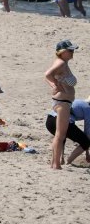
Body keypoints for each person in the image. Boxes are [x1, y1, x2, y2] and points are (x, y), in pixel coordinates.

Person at [45, 40, 78, 170]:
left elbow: (49, 75)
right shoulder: (61, 63)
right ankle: (56, 164)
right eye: (70, 50)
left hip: (63, 102)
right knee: (60, 134)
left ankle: (55, 163)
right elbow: (47, 74)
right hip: (63, 102)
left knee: (59, 134)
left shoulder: (62, 63)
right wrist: (55, 85)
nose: (72, 52)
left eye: (73, 50)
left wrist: (56, 85)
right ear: (62, 52)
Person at [47, 97, 90, 167]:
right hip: (62, 121)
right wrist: (87, 150)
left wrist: (87, 152)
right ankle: (68, 162)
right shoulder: (88, 109)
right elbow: (87, 132)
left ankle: (60, 160)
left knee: (61, 137)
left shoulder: (78, 102)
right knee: (85, 142)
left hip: (49, 121)